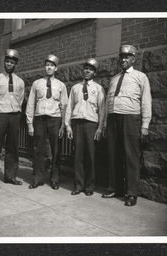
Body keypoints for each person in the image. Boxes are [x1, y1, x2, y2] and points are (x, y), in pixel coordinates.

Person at [102, 45, 152, 206]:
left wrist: (145, 125)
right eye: (121, 56)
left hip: (131, 118)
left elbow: (146, 101)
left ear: (133, 59)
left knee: (131, 156)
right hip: (113, 119)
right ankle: (115, 188)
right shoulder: (114, 78)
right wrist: (104, 125)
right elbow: (107, 103)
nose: (123, 59)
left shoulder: (140, 76)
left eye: (127, 57)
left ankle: (131, 193)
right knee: (113, 154)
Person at [26, 54, 68, 190]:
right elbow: (30, 104)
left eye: (52, 65)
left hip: (55, 119)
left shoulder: (61, 85)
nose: (49, 67)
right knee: (39, 150)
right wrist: (29, 124)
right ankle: (37, 179)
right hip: (39, 119)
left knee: (56, 150)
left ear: (56, 68)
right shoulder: (36, 84)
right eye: (47, 65)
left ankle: (54, 179)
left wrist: (63, 125)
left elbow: (64, 106)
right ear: (45, 67)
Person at [65, 58, 105, 196]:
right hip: (77, 123)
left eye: (91, 69)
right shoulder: (75, 88)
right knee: (78, 156)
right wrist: (68, 126)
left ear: (94, 73)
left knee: (90, 156)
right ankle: (78, 185)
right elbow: (69, 107)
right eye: (86, 68)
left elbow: (102, 109)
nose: (87, 71)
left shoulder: (98, 89)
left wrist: (100, 128)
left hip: (90, 124)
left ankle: (89, 186)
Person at [0, 49, 25, 190]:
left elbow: (20, 99)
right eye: (7, 61)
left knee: (13, 147)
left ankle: (10, 177)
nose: (9, 64)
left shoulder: (20, 82)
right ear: (4, 62)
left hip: (14, 115)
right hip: (0, 115)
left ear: (16, 65)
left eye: (12, 62)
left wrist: (16, 111)